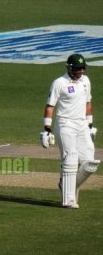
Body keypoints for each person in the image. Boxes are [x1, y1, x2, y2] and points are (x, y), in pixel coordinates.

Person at [41, 54, 100, 209]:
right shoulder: (59, 83)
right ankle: (68, 200)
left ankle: (65, 184)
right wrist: (47, 129)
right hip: (65, 124)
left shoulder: (85, 81)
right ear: (69, 68)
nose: (80, 72)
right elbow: (50, 106)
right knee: (71, 158)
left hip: (81, 124)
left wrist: (89, 125)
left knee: (90, 163)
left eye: (82, 69)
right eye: (77, 69)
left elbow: (88, 103)